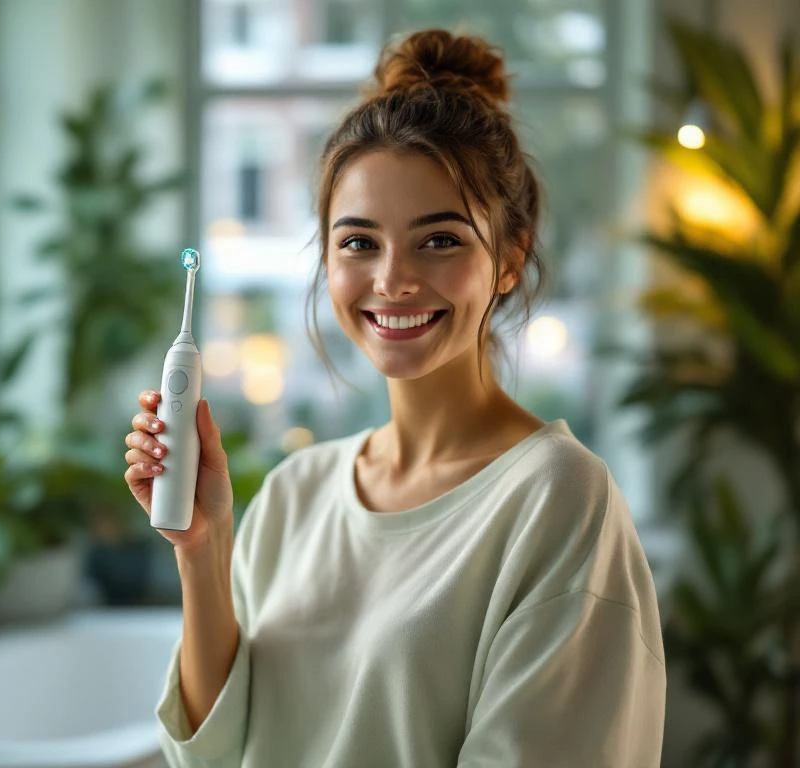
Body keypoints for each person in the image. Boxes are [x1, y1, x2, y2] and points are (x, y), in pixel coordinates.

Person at [124, 27, 665, 768]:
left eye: (439, 240)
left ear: (509, 257)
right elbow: (211, 754)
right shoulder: (296, 491)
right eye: (358, 243)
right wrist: (203, 548)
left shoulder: (558, 501)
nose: (392, 280)